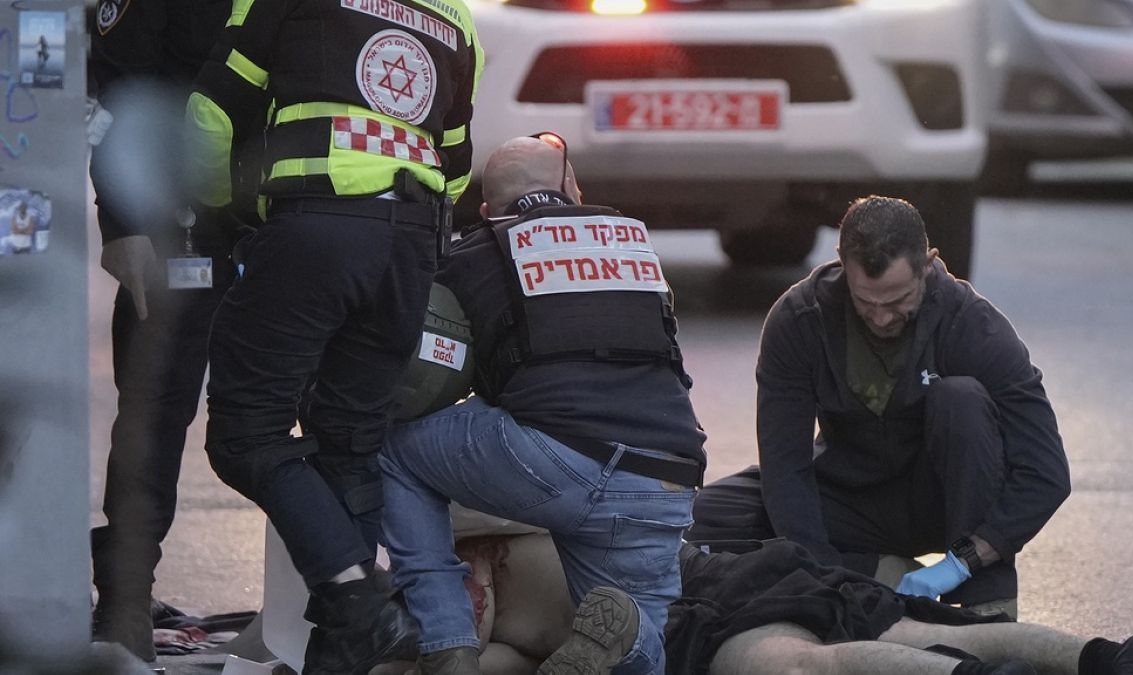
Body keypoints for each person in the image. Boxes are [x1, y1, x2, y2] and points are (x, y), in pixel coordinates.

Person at [183, 0, 483, 672]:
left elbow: (209, 116)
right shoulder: (455, 19)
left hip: (315, 227)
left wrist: (222, 212)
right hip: (409, 244)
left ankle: (359, 592)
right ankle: (347, 644)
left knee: (245, 434)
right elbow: (458, 164)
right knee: (350, 447)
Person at [377, 134, 707, 674]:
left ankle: (447, 643)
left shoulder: (474, 251)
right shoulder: (634, 246)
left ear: (486, 210)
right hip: (663, 477)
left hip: (551, 461)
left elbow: (423, 359)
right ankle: (627, 643)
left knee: (393, 450)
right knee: (639, 636)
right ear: (572, 189)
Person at [688, 195, 1071, 619]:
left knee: (960, 399)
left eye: (897, 301)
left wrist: (968, 558)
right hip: (853, 500)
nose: (883, 318)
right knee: (702, 520)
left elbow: (1046, 473)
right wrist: (823, 574)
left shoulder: (973, 325)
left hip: (949, 500)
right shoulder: (800, 319)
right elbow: (786, 466)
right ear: (843, 267)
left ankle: (982, 600)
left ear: (928, 264)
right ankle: (876, 574)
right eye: (866, 302)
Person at [379, 532, 1133, 675]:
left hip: (719, 589)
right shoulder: (500, 643)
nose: (467, 602)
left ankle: (1106, 658)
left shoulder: (493, 528)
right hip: (706, 613)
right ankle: (1098, 659)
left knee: (875, 632)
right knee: (838, 647)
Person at [86, 0, 246, 661]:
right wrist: (121, 223)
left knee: (270, 428)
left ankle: (333, 594)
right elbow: (117, 90)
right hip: (177, 224)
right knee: (155, 413)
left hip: (285, 223)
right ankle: (123, 599)